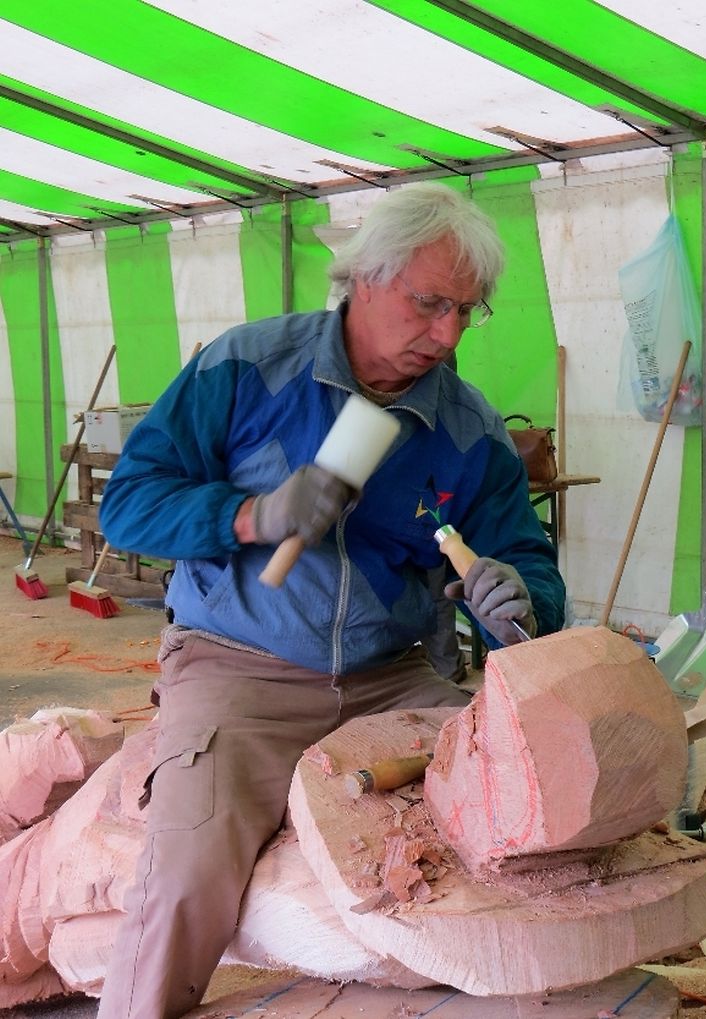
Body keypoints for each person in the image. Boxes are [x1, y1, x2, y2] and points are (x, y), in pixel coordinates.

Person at [96, 182, 565, 1018]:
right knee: (188, 874)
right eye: (430, 304)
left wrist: (519, 599)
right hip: (240, 666)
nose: (449, 334)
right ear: (366, 276)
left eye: (467, 311)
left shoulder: (470, 430)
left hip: (394, 673)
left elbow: (531, 570)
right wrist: (250, 515)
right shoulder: (245, 368)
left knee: (516, 834)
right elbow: (127, 505)